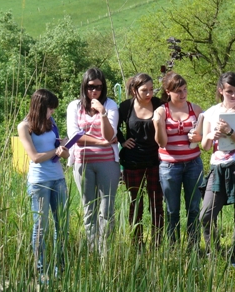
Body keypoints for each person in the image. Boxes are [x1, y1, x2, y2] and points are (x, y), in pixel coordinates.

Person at [200, 72, 235, 265]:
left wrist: (229, 132)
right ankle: (214, 252)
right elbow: (205, 147)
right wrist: (211, 136)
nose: (233, 95)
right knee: (206, 214)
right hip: (217, 167)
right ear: (220, 90)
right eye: (229, 91)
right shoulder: (210, 112)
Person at [18, 89, 69, 282]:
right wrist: (54, 151)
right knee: (41, 226)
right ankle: (41, 271)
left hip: (58, 178)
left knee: (62, 225)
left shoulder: (51, 123)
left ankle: (61, 268)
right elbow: (35, 157)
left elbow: (62, 153)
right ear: (40, 106)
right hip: (39, 182)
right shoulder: (24, 126)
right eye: (50, 108)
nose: (52, 112)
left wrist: (64, 149)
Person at [67, 67, 120, 253]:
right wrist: (101, 142)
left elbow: (110, 133)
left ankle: (106, 253)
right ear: (84, 87)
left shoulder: (110, 105)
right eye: (90, 87)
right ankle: (92, 251)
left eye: (98, 87)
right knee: (89, 208)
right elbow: (74, 136)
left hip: (107, 162)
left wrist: (103, 113)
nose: (94, 91)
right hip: (83, 163)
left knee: (106, 209)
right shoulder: (75, 106)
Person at [152, 72, 204, 247]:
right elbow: (162, 142)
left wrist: (199, 137)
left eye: (184, 90)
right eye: (178, 91)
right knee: (172, 210)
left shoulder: (195, 109)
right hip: (169, 166)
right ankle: (173, 248)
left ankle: (193, 246)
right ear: (168, 92)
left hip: (193, 164)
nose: (183, 94)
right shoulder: (161, 111)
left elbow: (206, 136)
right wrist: (159, 123)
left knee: (194, 208)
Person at [117, 73, 164, 246]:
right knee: (135, 205)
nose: (149, 94)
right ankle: (137, 244)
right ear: (134, 90)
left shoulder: (158, 104)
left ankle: (157, 244)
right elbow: (113, 125)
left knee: (156, 205)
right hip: (132, 162)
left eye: (151, 89)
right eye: (144, 90)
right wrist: (122, 140)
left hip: (155, 161)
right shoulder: (126, 107)